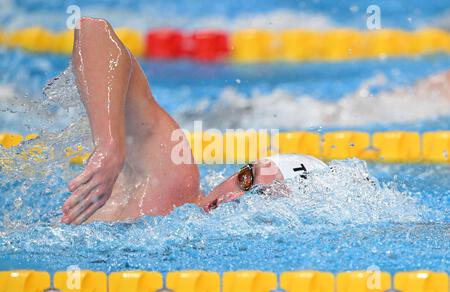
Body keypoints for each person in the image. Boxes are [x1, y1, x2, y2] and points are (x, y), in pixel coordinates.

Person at [62, 17, 449, 224]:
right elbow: (93, 30)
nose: (232, 197)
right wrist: (110, 144)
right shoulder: (172, 183)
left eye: (257, 197)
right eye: (247, 179)